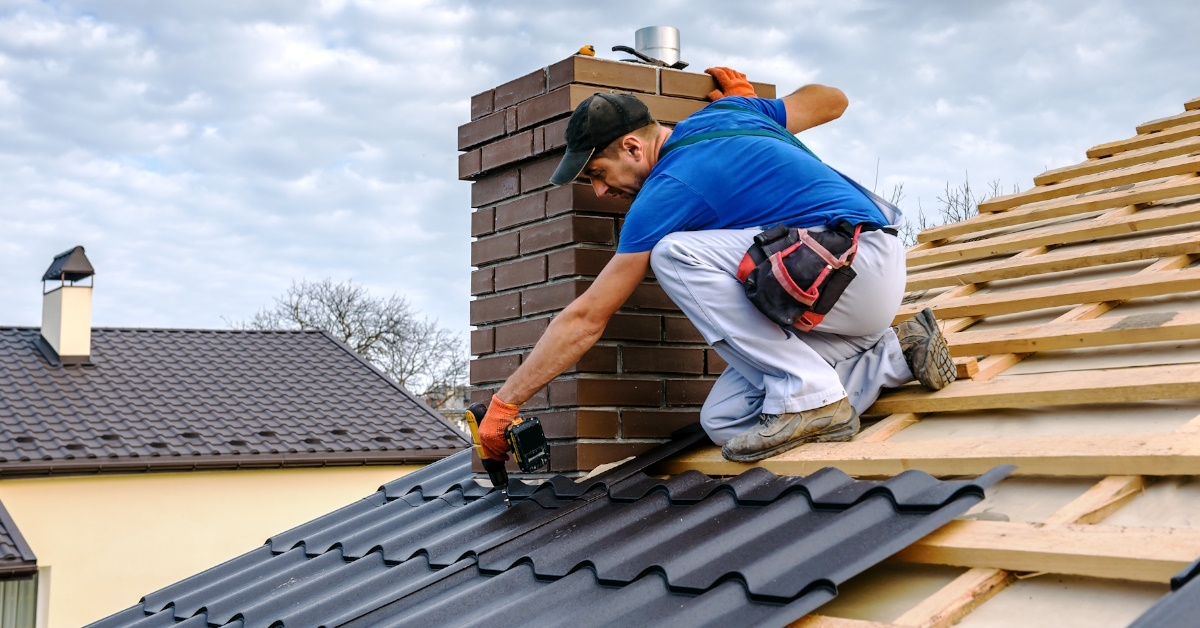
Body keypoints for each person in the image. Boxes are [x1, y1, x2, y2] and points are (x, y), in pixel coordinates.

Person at [477, 67, 955, 464]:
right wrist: (757, 109)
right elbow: (833, 99)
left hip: (852, 264)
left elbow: (587, 317)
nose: (600, 192)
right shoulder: (733, 112)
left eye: (598, 174)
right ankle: (896, 354)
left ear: (633, 148)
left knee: (674, 253)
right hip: (844, 295)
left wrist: (506, 402)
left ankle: (811, 393)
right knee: (725, 420)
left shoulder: (666, 190)